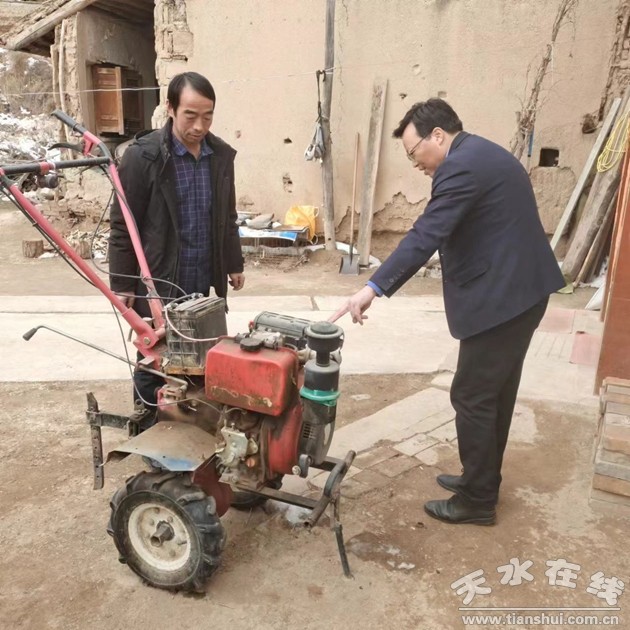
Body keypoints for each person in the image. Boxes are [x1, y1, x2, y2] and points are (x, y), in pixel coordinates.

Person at [330, 98, 565, 525]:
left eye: (413, 152)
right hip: (520, 292)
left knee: (472, 395)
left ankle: (477, 501)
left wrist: (372, 288)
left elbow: (427, 234)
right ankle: (481, 479)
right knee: (494, 393)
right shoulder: (482, 154)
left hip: (504, 300)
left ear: (437, 135)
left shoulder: (461, 167)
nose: (415, 163)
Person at [109, 71, 244, 415]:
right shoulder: (144, 157)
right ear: (170, 108)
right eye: (190, 115)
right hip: (160, 277)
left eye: (207, 116)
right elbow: (124, 224)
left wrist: (233, 263)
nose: (200, 126)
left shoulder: (219, 156)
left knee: (200, 353)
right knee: (156, 356)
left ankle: (187, 420)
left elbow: (226, 215)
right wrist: (122, 283)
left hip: (201, 275)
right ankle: (147, 421)